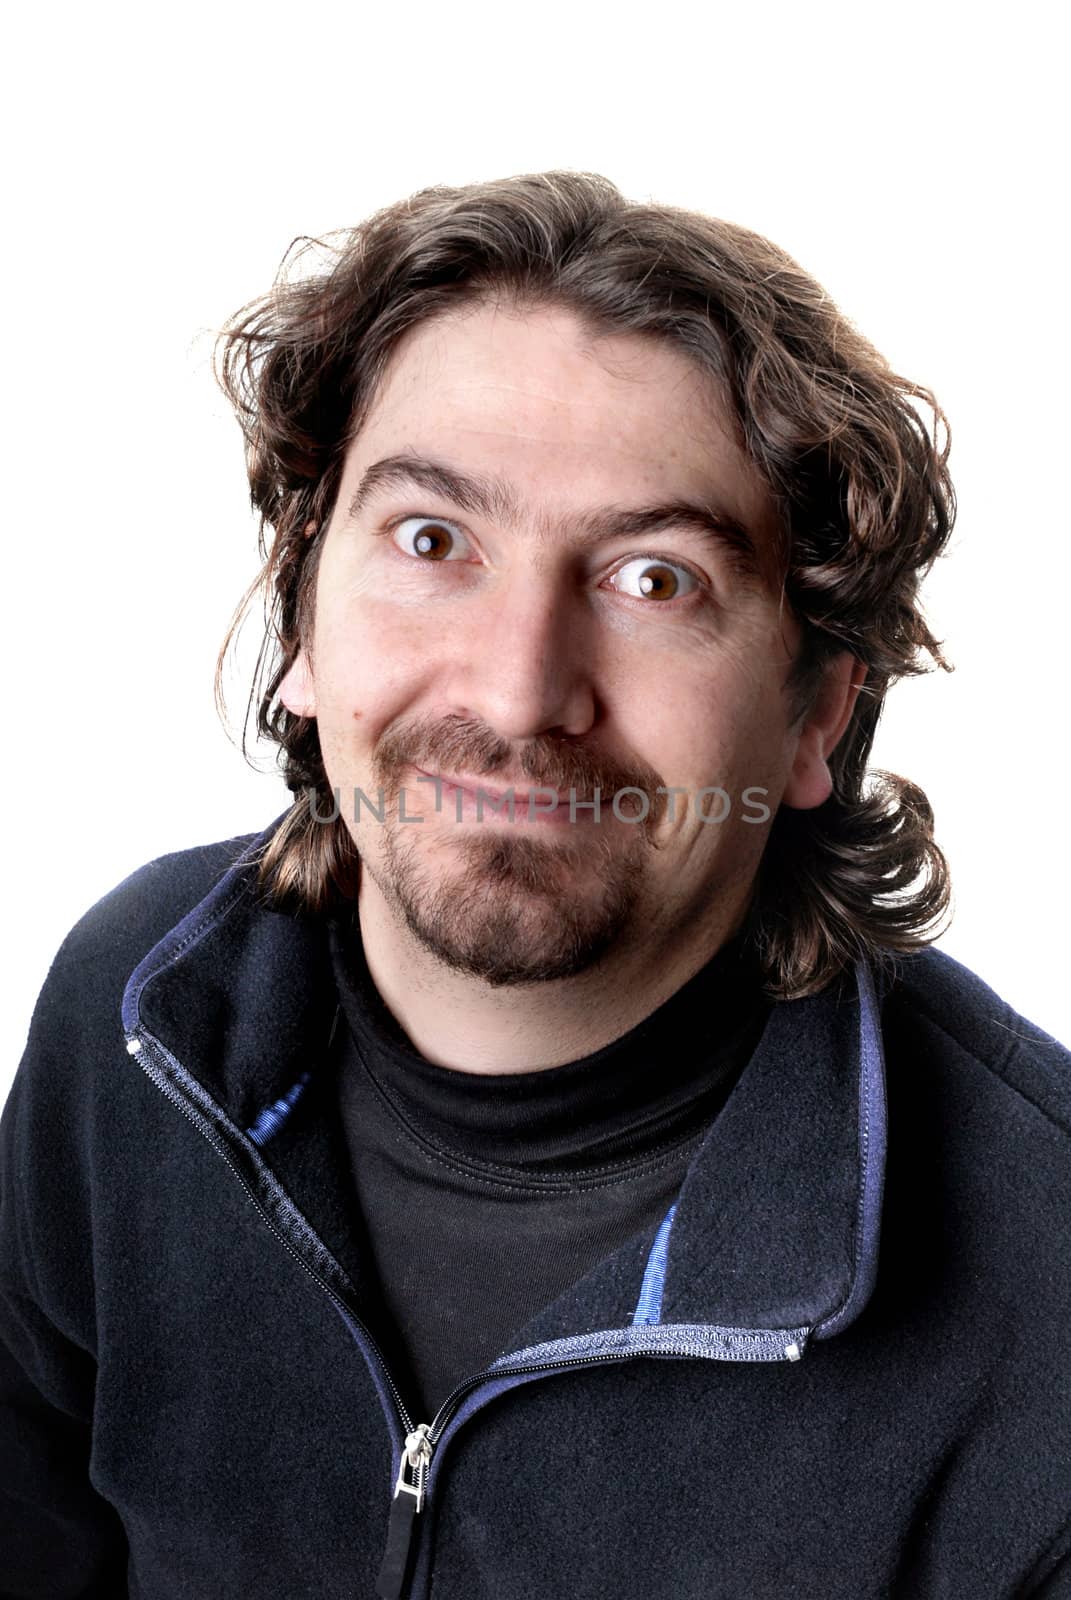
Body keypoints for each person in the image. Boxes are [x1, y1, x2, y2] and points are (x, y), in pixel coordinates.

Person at [2, 170, 1069, 1600]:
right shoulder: (142, 1011)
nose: (518, 690)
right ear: (300, 615)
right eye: (433, 541)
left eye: (655, 581)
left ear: (817, 709)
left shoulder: (1045, 1286)